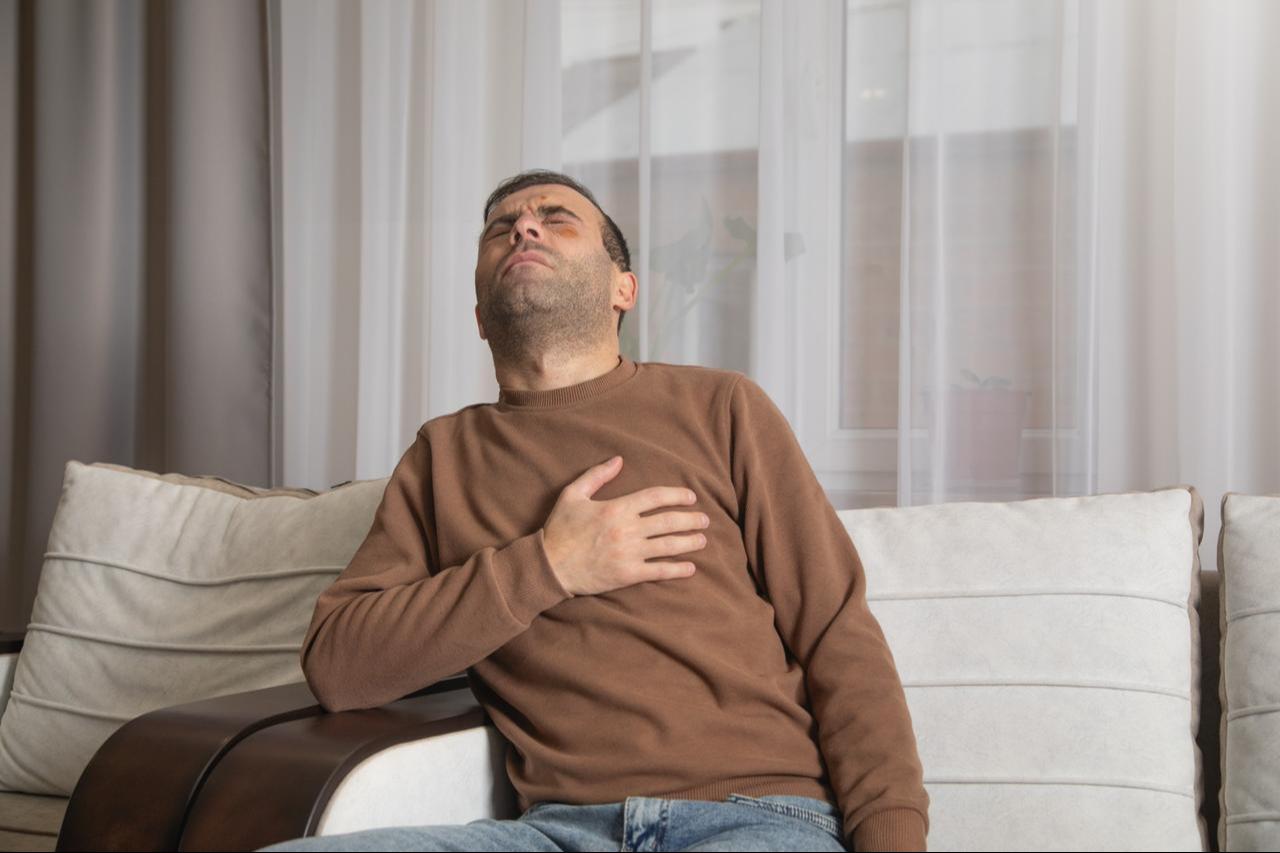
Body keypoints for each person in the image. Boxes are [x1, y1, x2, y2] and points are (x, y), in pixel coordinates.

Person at [259, 170, 929, 852]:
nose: (523, 227)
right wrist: (549, 564)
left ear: (623, 289)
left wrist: (892, 837)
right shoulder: (443, 455)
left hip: (755, 817)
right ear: (481, 317)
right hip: (554, 830)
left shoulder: (722, 407)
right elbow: (340, 666)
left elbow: (837, 633)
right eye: (501, 228)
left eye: (557, 218)